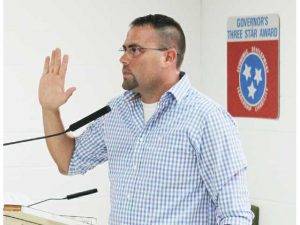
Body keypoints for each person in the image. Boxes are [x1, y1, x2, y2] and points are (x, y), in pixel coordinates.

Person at [39, 14, 254, 225]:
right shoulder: (117, 111)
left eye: (134, 50)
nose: (123, 58)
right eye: (124, 50)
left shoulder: (207, 118)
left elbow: (235, 214)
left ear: (168, 57)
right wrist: (50, 110)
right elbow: (69, 161)